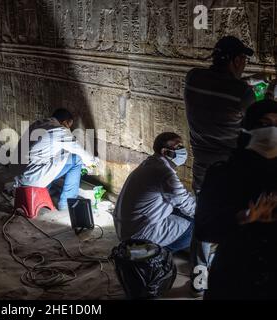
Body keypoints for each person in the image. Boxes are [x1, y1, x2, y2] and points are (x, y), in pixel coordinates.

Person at [184, 35, 260, 292]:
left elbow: (217, 87)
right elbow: (254, 121)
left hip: (201, 169)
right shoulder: (243, 93)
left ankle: (197, 283)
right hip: (228, 173)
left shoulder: (193, 78)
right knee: (235, 223)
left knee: (202, 224)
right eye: (243, 61)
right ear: (237, 60)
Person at [195, 100, 277, 299]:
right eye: (264, 124)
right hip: (236, 274)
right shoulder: (223, 173)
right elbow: (204, 229)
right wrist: (244, 216)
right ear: (248, 129)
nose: (273, 132)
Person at [113, 132, 196, 252]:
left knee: (183, 213)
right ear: (164, 151)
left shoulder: (151, 163)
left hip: (127, 228)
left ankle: (161, 243)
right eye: (178, 147)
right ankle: (156, 252)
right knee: (199, 226)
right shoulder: (164, 172)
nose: (182, 151)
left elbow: (180, 198)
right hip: (140, 234)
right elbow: (187, 204)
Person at [14, 109, 99, 211]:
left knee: (55, 158)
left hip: (17, 172)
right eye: (69, 126)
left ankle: (47, 190)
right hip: (31, 177)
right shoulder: (59, 130)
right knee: (77, 159)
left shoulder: (38, 124)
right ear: (64, 122)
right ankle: (66, 203)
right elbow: (79, 150)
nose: (69, 130)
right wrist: (92, 163)